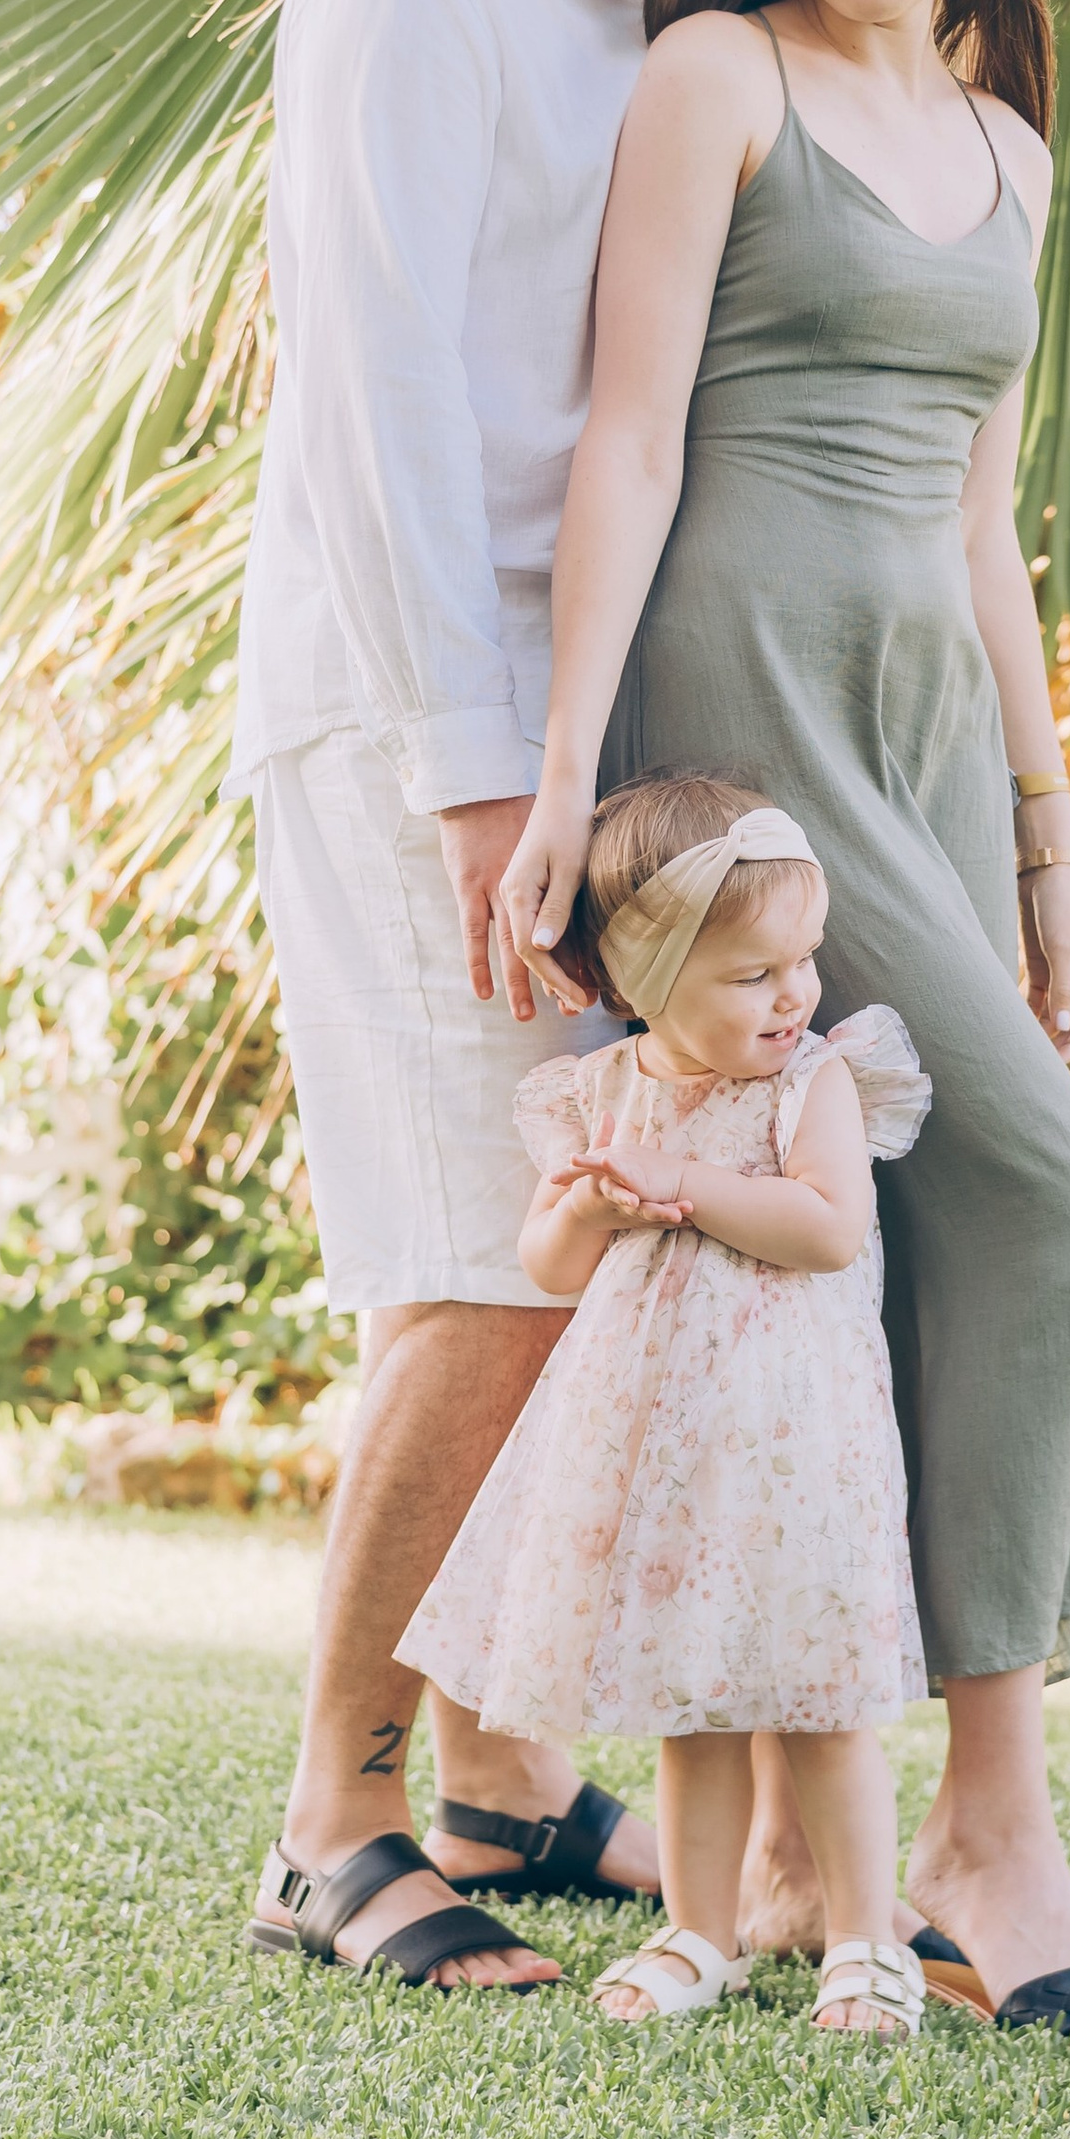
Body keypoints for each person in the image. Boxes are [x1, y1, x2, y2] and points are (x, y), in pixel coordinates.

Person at [499, 0, 1070, 2041]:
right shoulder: (721, 77)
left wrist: (1043, 816)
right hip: (751, 713)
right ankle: (987, 1830)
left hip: (918, 723)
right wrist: (578, 769)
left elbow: (984, 522)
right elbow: (625, 436)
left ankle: (816, 1857)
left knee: (883, 1257)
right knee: (1064, 1196)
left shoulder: (1009, 143)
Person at [234, 0, 822, 1996]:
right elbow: (372, 404)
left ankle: (488, 1771)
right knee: (483, 1262)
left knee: (570, 1249)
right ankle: (327, 1820)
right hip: (417, 711)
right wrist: (485, 783)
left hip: (563, 718)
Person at [404, 773, 934, 2036]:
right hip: (661, 1451)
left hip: (796, 1445)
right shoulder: (603, 1093)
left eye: (801, 960)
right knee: (688, 1704)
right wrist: (591, 1202)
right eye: (755, 973)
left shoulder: (814, 1079)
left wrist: (684, 1180)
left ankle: (866, 1940)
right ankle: (700, 1932)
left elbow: (825, 1227)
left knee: (820, 1703)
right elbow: (550, 1261)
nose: (794, 992)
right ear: (648, 975)